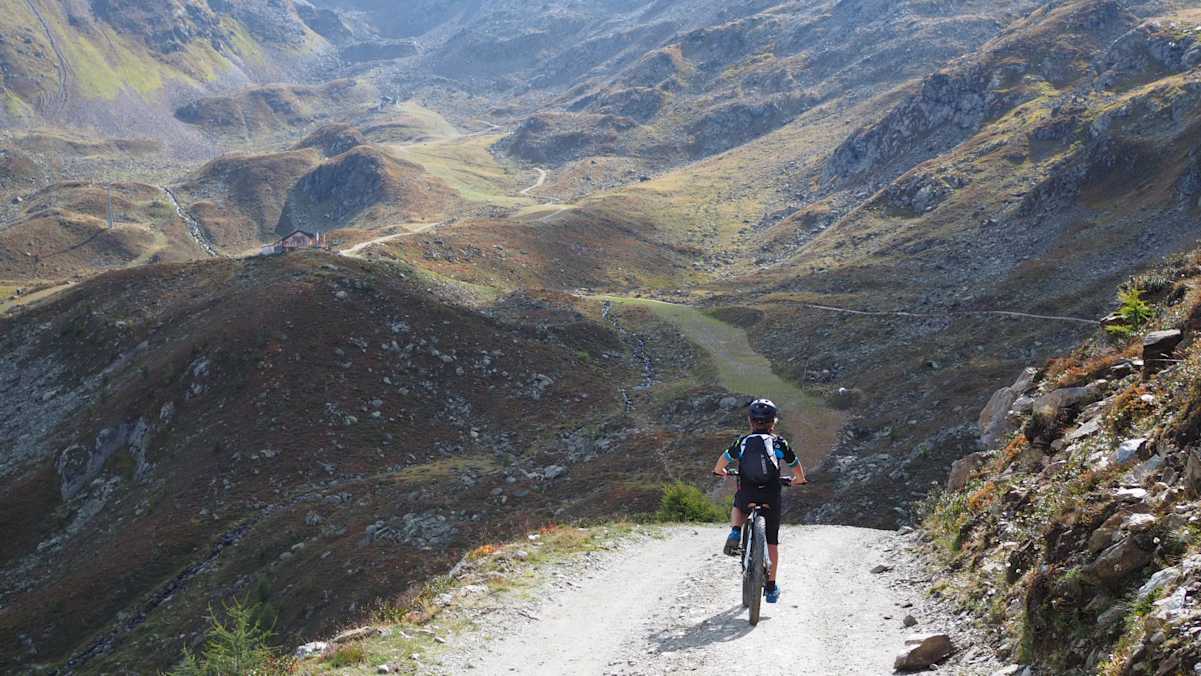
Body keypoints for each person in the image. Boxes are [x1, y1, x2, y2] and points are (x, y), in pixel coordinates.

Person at [712, 398, 807, 603]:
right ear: (774, 422)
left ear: (750, 421)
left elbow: (721, 463)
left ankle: (736, 530)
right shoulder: (780, 443)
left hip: (747, 491)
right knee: (771, 541)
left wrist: (721, 472)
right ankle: (771, 588)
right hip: (771, 495)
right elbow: (796, 465)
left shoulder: (742, 442)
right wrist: (798, 480)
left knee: (738, 505)